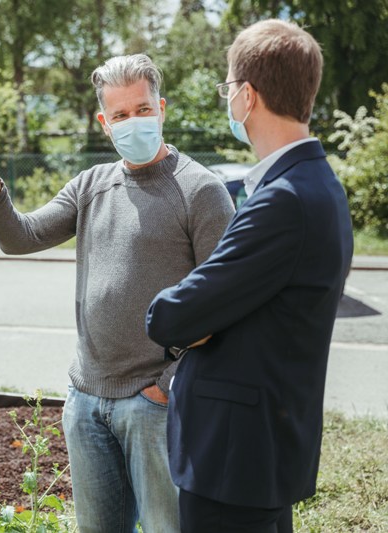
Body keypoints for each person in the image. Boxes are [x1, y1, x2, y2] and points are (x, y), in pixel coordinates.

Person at [0, 54, 235, 533]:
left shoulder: (200, 191)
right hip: (86, 401)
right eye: (120, 115)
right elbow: (21, 237)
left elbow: (224, 305)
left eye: (142, 109)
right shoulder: (91, 185)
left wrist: (167, 386)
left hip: (154, 406)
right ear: (104, 122)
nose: (133, 122)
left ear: (162, 108)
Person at [146, 20, 354, 533]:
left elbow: (171, 317)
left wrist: (196, 318)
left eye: (227, 88)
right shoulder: (316, 183)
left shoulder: (283, 200)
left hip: (235, 460)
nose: (228, 101)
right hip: (259, 451)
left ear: (248, 95)